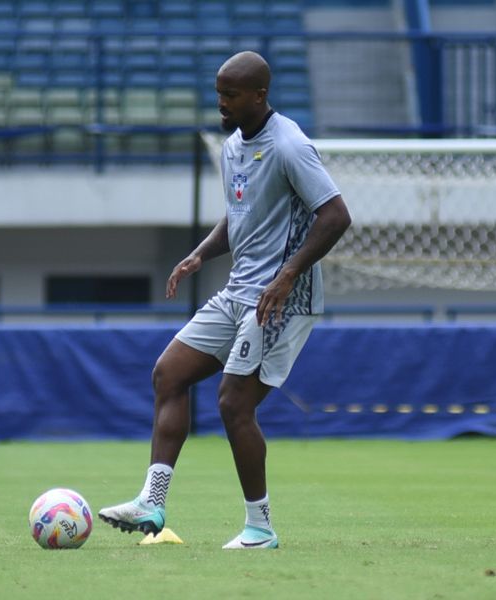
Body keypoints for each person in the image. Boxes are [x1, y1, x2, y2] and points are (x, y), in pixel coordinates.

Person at [98, 51, 352, 550]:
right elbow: (240, 217)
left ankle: (260, 528)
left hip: (280, 299)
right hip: (238, 291)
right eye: (218, 93)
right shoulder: (233, 145)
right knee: (168, 374)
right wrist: (199, 254)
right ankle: (152, 500)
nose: (221, 103)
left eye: (231, 95)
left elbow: (336, 216)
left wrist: (286, 277)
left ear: (259, 95)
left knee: (234, 404)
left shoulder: (290, 145)